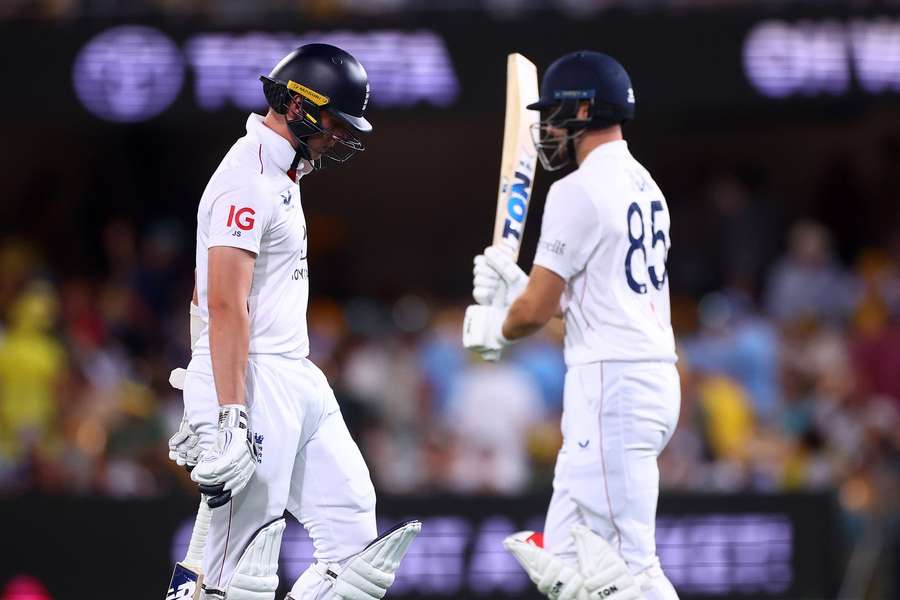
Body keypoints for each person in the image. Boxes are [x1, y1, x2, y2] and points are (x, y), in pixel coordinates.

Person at [166, 43, 419, 600]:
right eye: (335, 121)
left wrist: (201, 379)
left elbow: (201, 293)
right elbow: (225, 302)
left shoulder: (281, 173)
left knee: (357, 556)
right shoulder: (249, 176)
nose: (340, 136)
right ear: (298, 104)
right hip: (252, 380)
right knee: (239, 578)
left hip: (292, 374)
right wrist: (226, 411)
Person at [464, 51, 680, 600]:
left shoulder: (577, 190)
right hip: (640, 378)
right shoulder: (645, 184)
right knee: (563, 560)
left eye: (555, 115)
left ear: (583, 109)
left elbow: (535, 313)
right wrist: (518, 288)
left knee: (631, 570)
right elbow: (581, 299)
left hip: (613, 385)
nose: (549, 128)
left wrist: (497, 327)